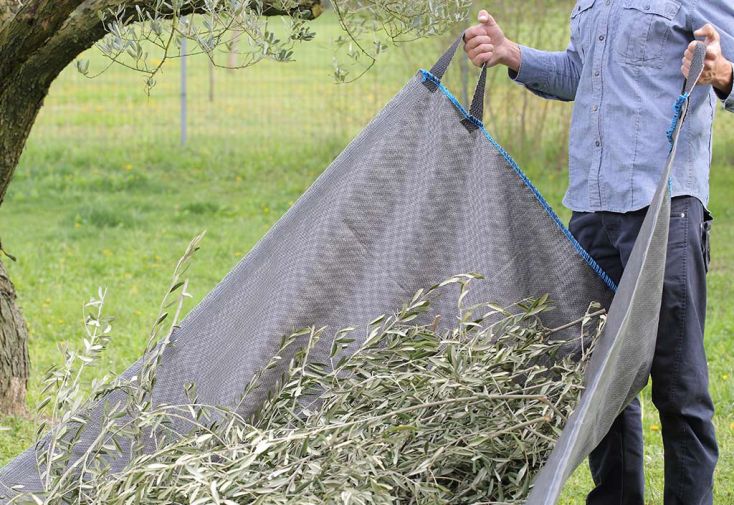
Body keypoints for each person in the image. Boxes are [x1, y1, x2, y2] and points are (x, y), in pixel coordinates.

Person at [463, 4, 733, 505]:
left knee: (679, 385)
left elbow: (727, 65)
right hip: (592, 206)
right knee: (596, 383)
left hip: (664, 206)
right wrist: (510, 53)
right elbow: (579, 74)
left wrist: (722, 73)